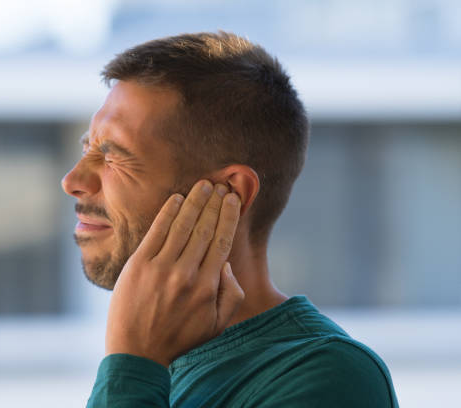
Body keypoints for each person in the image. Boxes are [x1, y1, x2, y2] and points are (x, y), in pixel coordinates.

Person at [62, 31, 399, 407]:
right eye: (86, 148)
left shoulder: (329, 377)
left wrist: (131, 368)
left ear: (230, 193)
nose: (73, 181)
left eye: (113, 155)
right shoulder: (158, 360)